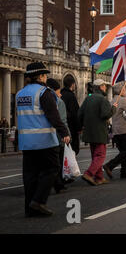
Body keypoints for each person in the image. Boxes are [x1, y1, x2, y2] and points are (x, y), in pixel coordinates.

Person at [16, 62, 70, 217]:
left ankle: (30, 208)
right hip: (45, 140)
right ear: (40, 76)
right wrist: (64, 132)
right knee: (52, 169)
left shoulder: (20, 94)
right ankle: (39, 201)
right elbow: (53, 115)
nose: (46, 78)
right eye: (45, 75)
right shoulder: (44, 92)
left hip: (26, 142)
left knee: (30, 175)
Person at [78, 79, 116, 186]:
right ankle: (89, 173)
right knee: (100, 155)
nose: (105, 87)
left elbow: (80, 114)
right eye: (104, 85)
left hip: (89, 131)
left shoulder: (88, 99)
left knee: (95, 155)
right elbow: (105, 114)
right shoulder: (102, 100)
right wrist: (113, 109)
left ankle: (99, 177)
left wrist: (81, 126)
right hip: (99, 131)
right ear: (100, 87)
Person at [103, 85, 126, 180]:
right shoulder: (123, 100)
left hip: (115, 130)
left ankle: (124, 172)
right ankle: (110, 165)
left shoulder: (112, 100)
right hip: (123, 129)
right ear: (121, 91)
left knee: (122, 151)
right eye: (124, 89)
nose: (125, 91)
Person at [46, 78, 70, 194]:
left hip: (43, 138)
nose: (60, 94)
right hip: (57, 137)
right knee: (57, 163)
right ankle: (58, 185)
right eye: (58, 91)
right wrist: (66, 134)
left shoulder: (41, 99)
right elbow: (62, 120)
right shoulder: (58, 102)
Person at [60, 75, 81, 155]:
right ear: (72, 84)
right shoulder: (71, 96)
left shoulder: (60, 94)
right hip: (71, 127)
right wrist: (79, 128)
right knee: (73, 150)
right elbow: (75, 114)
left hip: (62, 126)